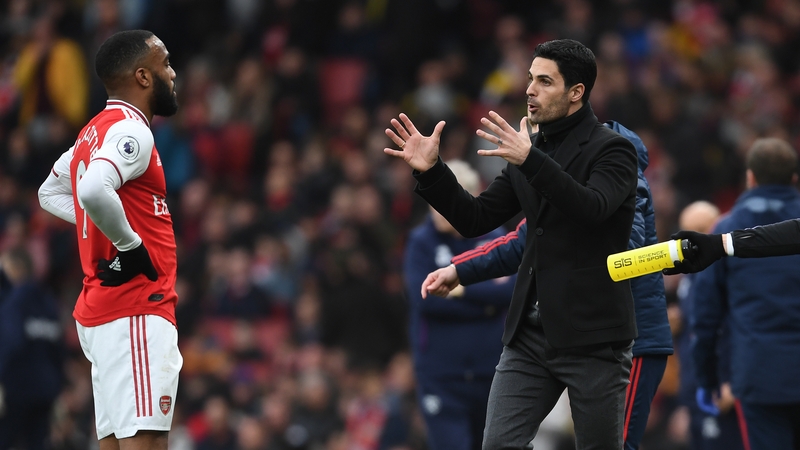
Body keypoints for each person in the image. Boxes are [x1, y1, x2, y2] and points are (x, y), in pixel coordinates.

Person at [385, 39, 639, 449]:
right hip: (530, 337)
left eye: (544, 81)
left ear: (576, 92)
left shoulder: (613, 150)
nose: (529, 90)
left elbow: (592, 211)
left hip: (594, 340)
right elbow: (476, 219)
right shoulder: (529, 150)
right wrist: (432, 172)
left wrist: (530, 160)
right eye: (529, 79)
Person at [423, 121, 673, 450]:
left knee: (619, 444)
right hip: (561, 330)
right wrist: (461, 270)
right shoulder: (557, 179)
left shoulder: (616, 170)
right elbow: (520, 240)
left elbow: (626, 252)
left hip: (626, 336)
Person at [37, 30, 182, 450]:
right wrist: (130, 247)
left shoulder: (92, 132)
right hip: (134, 306)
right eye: (165, 63)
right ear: (142, 76)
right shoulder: (131, 132)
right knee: (147, 444)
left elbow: (50, 192)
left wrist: (109, 230)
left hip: (108, 313)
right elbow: (92, 191)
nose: (172, 74)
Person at [685, 138, 800, 450]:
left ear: (750, 177)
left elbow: (705, 318)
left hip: (759, 376)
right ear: (794, 178)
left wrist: (706, 379)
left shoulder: (726, 231)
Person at [403, 159, 516, 450]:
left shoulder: (495, 236)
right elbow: (426, 301)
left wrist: (458, 289)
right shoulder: (421, 242)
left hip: (491, 371)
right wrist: (484, 295)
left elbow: (512, 292)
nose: (438, 208)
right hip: (441, 374)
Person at [673, 201, 744, 450]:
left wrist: (733, 382)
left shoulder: (735, 274)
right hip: (696, 392)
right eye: (688, 232)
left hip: (725, 391)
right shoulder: (689, 275)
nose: (696, 239)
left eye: (703, 228)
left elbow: (741, 329)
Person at [0, 247, 64, 450]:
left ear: (16, 268)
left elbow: (12, 343)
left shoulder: (13, 301)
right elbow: (58, 349)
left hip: (16, 390)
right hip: (46, 391)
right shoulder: (48, 301)